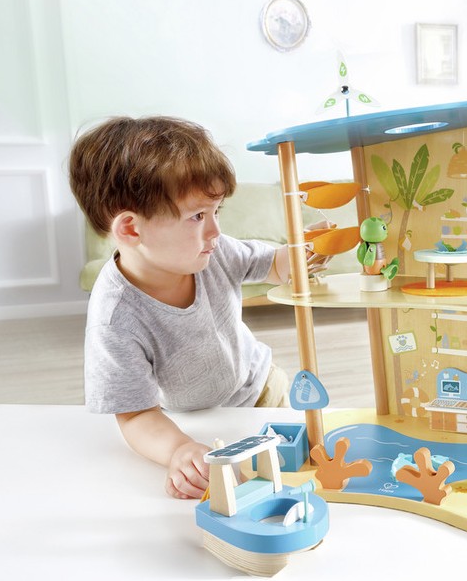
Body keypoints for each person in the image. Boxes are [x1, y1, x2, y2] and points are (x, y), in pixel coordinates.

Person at [69, 115, 327, 499]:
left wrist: (305, 254)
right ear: (131, 229)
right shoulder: (115, 319)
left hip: (264, 387)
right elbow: (136, 414)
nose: (215, 231)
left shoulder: (214, 250)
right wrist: (179, 449)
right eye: (198, 216)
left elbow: (273, 265)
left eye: (216, 211)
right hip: (198, 423)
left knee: (310, 471)